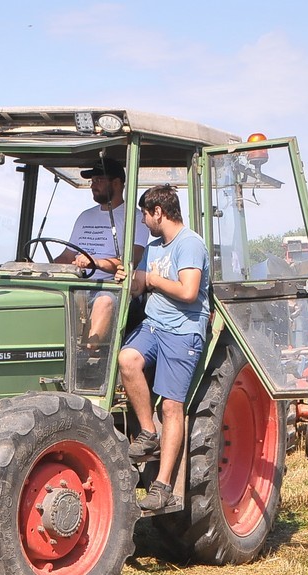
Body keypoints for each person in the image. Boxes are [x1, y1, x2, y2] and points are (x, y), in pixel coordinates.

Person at [116, 185, 209, 511]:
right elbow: (143, 285)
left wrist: (151, 280)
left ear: (159, 212)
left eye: (144, 213)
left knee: (172, 407)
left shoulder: (190, 244)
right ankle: (148, 432)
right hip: (153, 326)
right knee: (127, 359)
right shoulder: (155, 246)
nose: (143, 220)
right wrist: (129, 277)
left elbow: (188, 292)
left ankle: (163, 485)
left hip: (183, 332)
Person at [56, 158, 148, 348]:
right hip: (77, 285)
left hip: (112, 287)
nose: (93, 185)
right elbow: (66, 256)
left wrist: (95, 263)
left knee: (104, 300)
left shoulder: (136, 218)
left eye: (99, 180)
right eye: (92, 181)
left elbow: (132, 260)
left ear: (116, 183)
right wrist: (41, 269)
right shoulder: (85, 216)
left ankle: (90, 356)